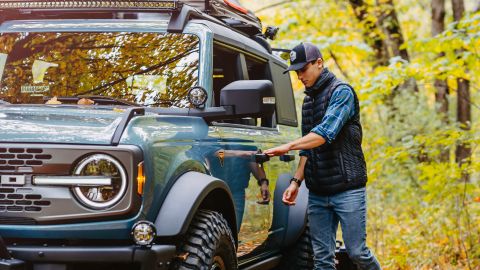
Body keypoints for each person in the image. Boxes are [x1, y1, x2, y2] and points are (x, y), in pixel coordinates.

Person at [265, 42, 381, 270]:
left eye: (303, 69)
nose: (299, 76)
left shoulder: (342, 93)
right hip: (318, 192)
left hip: (347, 188)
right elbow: (309, 147)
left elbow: (324, 134)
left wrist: (287, 146)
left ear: (319, 63)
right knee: (322, 259)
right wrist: (296, 182)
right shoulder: (308, 102)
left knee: (358, 253)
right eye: (296, 71)